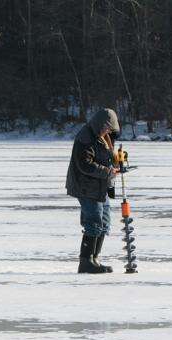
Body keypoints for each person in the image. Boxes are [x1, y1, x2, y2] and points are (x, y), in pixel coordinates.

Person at [65, 108, 121, 274]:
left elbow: (105, 157)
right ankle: (86, 262)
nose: (107, 132)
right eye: (106, 128)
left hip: (100, 186)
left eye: (110, 129)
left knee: (104, 222)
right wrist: (107, 171)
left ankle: (94, 259)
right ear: (99, 124)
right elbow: (85, 164)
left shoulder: (104, 138)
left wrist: (117, 161)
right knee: (94, 222)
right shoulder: (86, 137)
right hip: (86, 186)